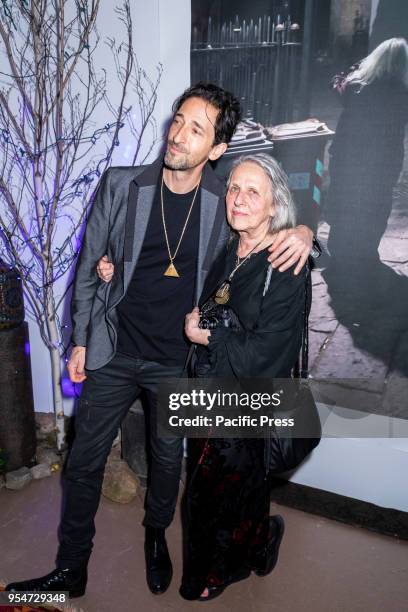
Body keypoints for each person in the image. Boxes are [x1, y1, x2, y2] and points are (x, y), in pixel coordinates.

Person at [6, 83, 313, 599]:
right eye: (178, 120)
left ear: (216, 148)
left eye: (197, 129)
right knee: (82, 462)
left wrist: (305, 231)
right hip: (115, 352)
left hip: (179, 360)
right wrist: (80, 340)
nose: (179, 134)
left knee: (168, 464)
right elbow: (89, 267)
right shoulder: (121, 185)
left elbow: (269, 228)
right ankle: (71, 567)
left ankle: (154, 536)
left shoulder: (226, 200)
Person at [179, 153, 309, 601]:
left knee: (211, 492)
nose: (238, 199)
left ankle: (214, 573)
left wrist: (206, 335)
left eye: (253, 191)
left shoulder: (286, 263)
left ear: (275, 205)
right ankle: (260, 544)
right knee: (235, 486)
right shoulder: (230, 244)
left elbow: (268, 357)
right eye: (234, 188)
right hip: (207, 393)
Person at [326, 37, 408, 263]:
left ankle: (340, 250)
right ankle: (368, 251)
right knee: (378, 204)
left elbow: (336, 85)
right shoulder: (402, 94)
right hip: (385, 161)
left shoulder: (357, 88)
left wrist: (348, 72)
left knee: (345, 199)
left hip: (350, 157)